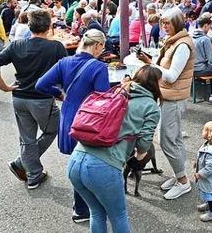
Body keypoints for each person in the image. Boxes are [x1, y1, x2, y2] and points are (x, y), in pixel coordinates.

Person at [66, 65, 161, 233]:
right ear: (156, 84)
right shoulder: (150, 106)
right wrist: (140, 156)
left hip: (75, 160)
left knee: (96, 212)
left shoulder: (116, 92)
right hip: (102, 168)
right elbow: (144, 144)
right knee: (118, 215)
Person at [0, 9, 67, 188]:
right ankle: (25, 166)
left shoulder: (17, 45)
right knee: (55, 129)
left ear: (29, 26)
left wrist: (4, 87)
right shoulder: (56, 47)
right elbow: (66, 75)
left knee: (27, 138)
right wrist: (62, 94)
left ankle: (33, 173)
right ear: (49, 26)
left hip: (20, 97)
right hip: (42, 99)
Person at [36, 29, 111, 224]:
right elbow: (102, 99)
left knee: (77, 163)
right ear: (96, 45)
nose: (101, 51)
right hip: (88, 121)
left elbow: (40, 85)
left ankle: (80, 207)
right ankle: (85, 207)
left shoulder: (64, 62)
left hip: (68, 117)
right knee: (89, 163)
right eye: (102, 47)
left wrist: (59, 94)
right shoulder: (99, 67)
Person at [136, 7, 195, 200]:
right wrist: (150, 60)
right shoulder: (175, 42)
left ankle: (183, 182)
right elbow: (167, 69)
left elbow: (170, 76)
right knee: (174, 139)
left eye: (168, 23)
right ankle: (179, 176)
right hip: (170, 97)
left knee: (168, 141)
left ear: (177, 23)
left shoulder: (182, 45)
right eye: (163, 23)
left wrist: (150, 64)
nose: (164, 26)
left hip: (174, 98)